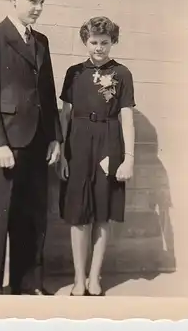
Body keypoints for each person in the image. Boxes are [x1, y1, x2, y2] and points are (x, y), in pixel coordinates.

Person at [0, 0, 63, 296]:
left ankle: (28, 284)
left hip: (37, 142)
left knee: (32, 217)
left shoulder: (41, 42)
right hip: (6, 144)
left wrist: (55, 137)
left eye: (41, 2)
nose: (38, 8)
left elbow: (47, 94)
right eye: (32, 1)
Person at [58, 16, 135, 296]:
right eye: (93, 42)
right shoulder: (74, 73)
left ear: (112, 42)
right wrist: (63, 152)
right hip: (77, 143)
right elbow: (64, 115)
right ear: (85, 42)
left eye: (104, 43)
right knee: (78, 213)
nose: (99, 48)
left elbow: (126, 115)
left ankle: (94, 277)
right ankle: (79, 278)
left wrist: (129, 157)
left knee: (102, 212)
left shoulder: (122, 74)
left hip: (109, 142)